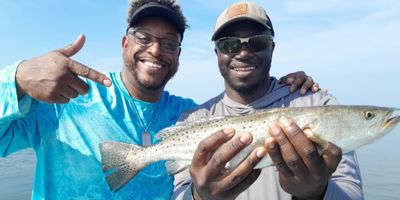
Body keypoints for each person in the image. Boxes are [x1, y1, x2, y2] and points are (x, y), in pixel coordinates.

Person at [0, 0, 319, 199]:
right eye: (144, 37)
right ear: (125, 43)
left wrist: (285, 88)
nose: (155, 50)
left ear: (179, 55)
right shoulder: (66, 95)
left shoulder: (191, 114)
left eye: (169, 43)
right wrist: (15, 80)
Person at [172, 2, 364, 200]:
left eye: (258, 42)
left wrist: (316, 193)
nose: (244, 53)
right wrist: (199, 196)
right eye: (229, 44)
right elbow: (178, 193)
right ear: (217, 53)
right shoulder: (191, 121)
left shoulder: (319, 104)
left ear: (272, 48)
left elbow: (353, 193)